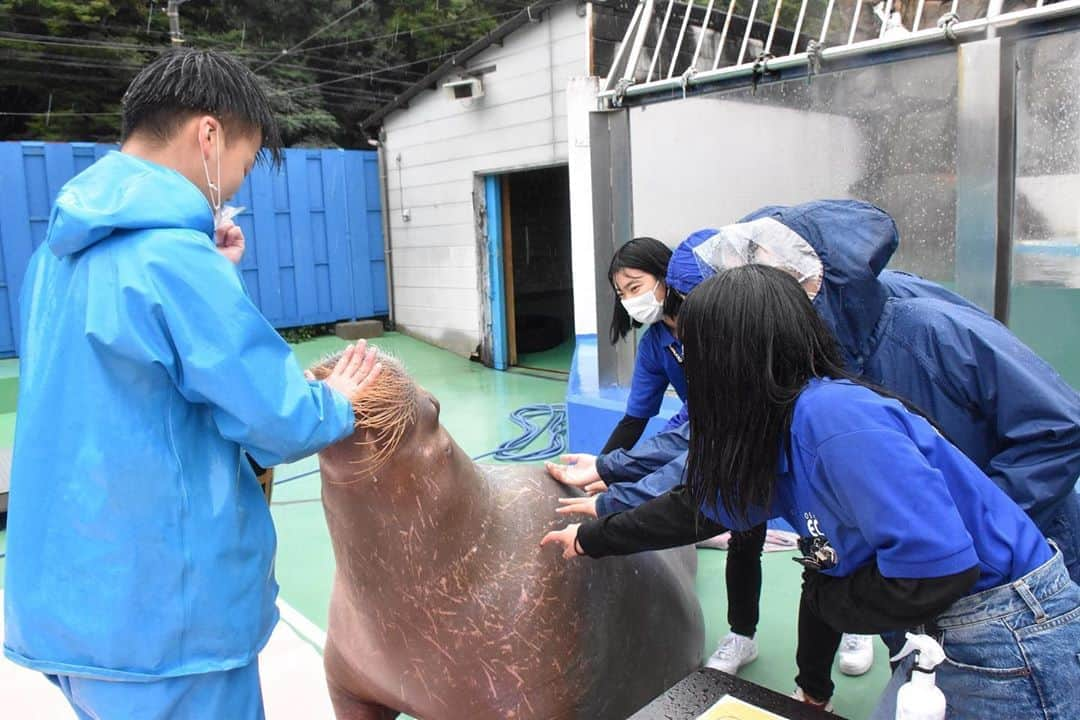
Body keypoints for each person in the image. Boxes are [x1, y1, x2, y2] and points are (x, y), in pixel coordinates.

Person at [548, 198, 1080, 707]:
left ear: (741, 349)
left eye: (699, 349)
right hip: (928, 609)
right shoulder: (781, 416)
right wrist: (596, 534)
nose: (688, 362)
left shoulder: (837, 417)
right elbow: (703, 504)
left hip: (1000, 623)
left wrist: (837, 600)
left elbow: (936, 567)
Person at [3, 49, 381, 720]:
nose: (232, 187)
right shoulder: (174, 258)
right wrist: (338, 401)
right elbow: (279, 418)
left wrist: (217, 272)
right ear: (207, 136)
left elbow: (133, 382)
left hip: (69, 609)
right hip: (166, 621)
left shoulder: (53, 257)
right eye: (239, 166)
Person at [599, 236, 693, 454]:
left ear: (664, 274)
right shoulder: (653, 345)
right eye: (622, 295)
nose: (630, 301)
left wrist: (638, 461)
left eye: (635, 288)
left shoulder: (707, 321)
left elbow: (701, 409)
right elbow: (634, 419)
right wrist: (600, 465)